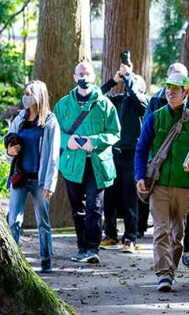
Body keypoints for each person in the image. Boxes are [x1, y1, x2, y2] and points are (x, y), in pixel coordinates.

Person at [135, 73, 189, 292]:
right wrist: (140, 176)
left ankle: (171, 269)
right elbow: (141, 149)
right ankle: (163, 274)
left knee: (178, 234)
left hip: (184, 185)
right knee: (161, 230)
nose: (170, 92)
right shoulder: (154, 118)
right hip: (158, 185)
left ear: (185, 92)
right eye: (168, 88)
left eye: (176, 89)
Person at [54, 61, 121, 263]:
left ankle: (92, 249)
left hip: (97, 163)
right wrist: (67, 141)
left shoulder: (104, 104)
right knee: (77, 208)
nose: (84, 77)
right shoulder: (63, 104)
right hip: (73, 163)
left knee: (95, 205)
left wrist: (96, 141)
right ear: (75, 77)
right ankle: (81, 247)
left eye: (88, 73)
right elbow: (54, 132)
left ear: (94, 77)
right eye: (80, 74)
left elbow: (115, 132)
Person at [6, 80, 61, 273]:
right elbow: (9, 143)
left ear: (40, 96)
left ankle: (46, 259)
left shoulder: (50, 122)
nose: (26, 98)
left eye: (30, 94)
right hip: (19, 177)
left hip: (40, 180)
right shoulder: (20, 119)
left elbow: (53, 156)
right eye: (25, 94)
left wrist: (50, 184)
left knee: (42, 222)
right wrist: (9, 152)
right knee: (14, 221)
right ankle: (12, 261)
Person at [99, 63, 149, 253]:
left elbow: (136, 98)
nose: (129, 84)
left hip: (132, 155)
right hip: (113, 153)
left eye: (134, 82)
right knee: (109, 197)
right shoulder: (118, 99)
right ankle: (110, 234)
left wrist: (129, 78)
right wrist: (114, 80)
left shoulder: (143, 101)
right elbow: (97, 96)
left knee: (130, 198)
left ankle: (130, 238)